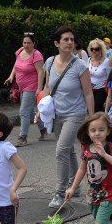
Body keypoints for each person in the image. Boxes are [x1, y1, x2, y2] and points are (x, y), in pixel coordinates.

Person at [40, 26, 94, 209]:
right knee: (68, 150)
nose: (70, 42)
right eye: (66, 39)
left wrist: (92, 119)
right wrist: (41, 110)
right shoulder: (49, 62)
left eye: (72, 39)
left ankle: (60, 192)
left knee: (61, 151)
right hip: (57, 113)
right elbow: (47, 88)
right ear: (57, 43)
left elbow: (88, 93)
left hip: (75, 114)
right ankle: (75, 186)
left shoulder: (80, 66)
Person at [4, 32, 47, 147]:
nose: (26, 45)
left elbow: (40, 72)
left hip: (31, 87)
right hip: (21, 87)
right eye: (24, 42)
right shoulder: (20, 51)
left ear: (34, 43)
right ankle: (43, 129)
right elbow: (16, 65)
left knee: (24, 111)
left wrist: (39, 89)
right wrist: (11, 76)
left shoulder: (36, 55)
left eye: (29, 43)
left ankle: (23, 137)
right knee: (30, 112)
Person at [87, 39, 112, 113]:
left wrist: (109, 91)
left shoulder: (106, 61)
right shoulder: (89, 60)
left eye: (96, 49)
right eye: (92, 49)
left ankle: (102, 118)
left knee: (97, 107)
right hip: (90, 88)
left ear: (101, 50)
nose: (94, 51)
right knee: (91, 109)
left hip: (102, 88)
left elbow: (110, 76)